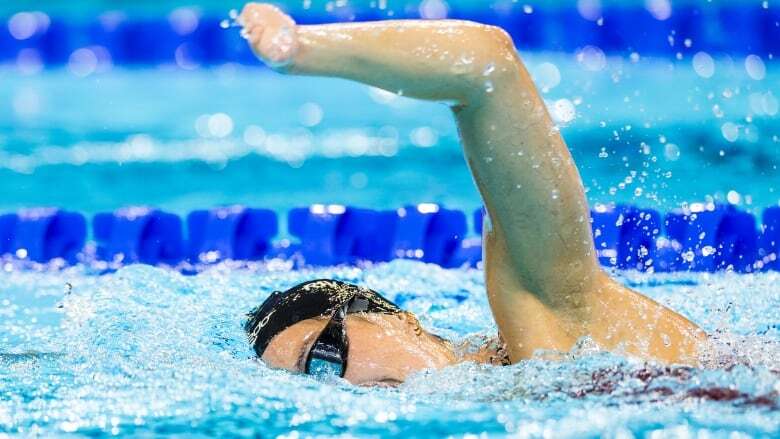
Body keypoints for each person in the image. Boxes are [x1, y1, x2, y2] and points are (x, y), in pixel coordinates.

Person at [239, 3, 709, 386]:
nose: (339, 393)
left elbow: (486, 66)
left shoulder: (542, 315)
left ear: (395, 319)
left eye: (321, 360)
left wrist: (299, 49)